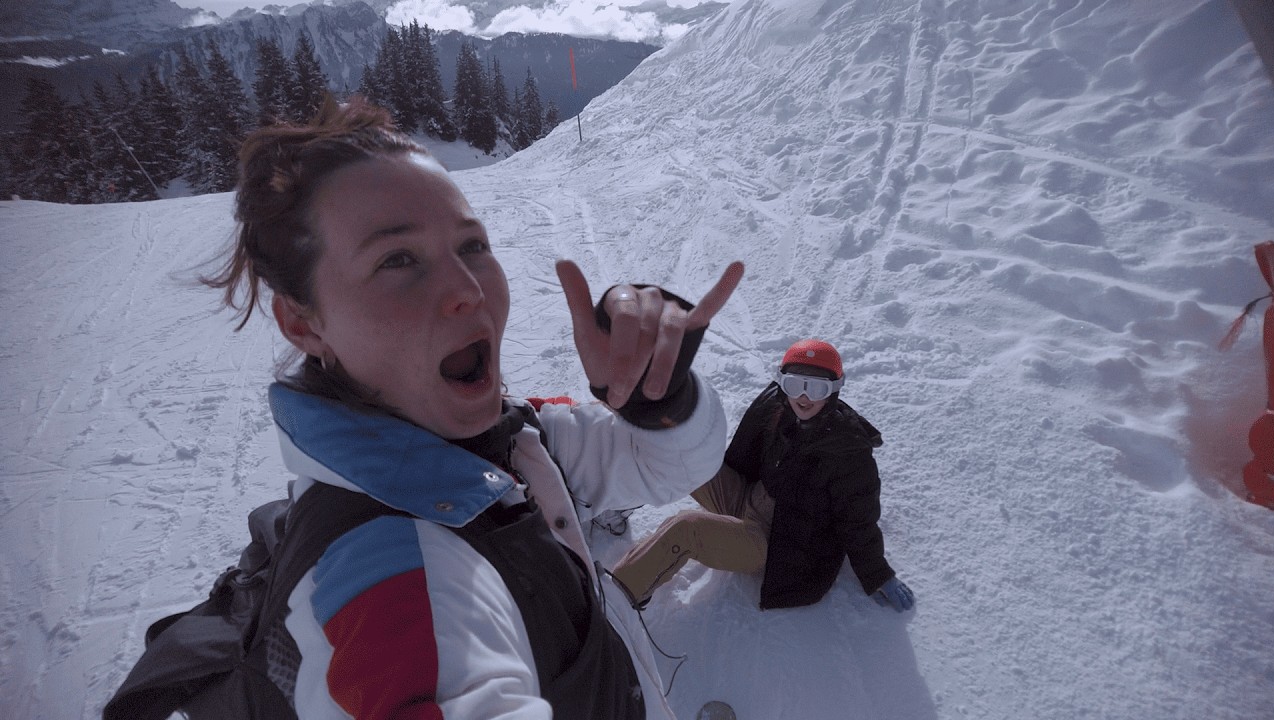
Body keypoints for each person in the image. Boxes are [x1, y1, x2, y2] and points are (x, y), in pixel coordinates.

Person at [205, 96, 744, 719]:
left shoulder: (508, 443)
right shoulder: (391, 582)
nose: (468, 290)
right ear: (304, 324)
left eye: (472, 245)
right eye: (397, 259)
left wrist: (659, 400)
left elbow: (669, 465)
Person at [612, 339, 915, 612]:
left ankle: (617, 596)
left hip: (777, 544)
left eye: (817, 388)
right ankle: (607, 500)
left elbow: (858, 521)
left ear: (834, 390)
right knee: (683, 458)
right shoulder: (778, 411)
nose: (804, 397)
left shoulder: (848, 452)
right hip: (749, 499)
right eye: (795, 384)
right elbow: (744, 453)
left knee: (687, 529)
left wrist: (877, 574)